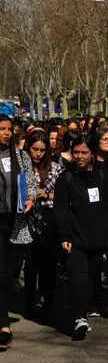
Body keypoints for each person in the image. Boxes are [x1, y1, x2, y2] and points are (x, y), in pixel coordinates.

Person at [54, 133, 108, 340]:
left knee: (90, 278)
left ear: (92, 154)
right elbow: (61, 208)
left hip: (98, 238)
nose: (79, 156)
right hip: (75, 237)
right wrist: (65, 234)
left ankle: (83, 310)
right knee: (78, 277)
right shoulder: (66, 177)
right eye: (76, 152)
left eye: (84, 152)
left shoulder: (103, 175)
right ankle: (78, 318)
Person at [0, 114, 36, 351]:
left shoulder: (21, 157)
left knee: (10, 272)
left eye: (9, 129)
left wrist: (31, 197)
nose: (6, 133)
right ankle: (4, 325)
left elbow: (30, 183)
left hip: (15, 221)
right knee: (1, 272)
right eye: (2, 129)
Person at [23, 130, 63, 322]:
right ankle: (29, 303)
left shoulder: (55, 168)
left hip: (49, 218)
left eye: (41, 150)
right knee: (30, 265)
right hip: (26, 217)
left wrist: (46, 195)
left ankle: (48, 304)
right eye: (34, 149)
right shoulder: (21, 167)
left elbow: (64, 195)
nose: (37, 154)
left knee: (48, 265)